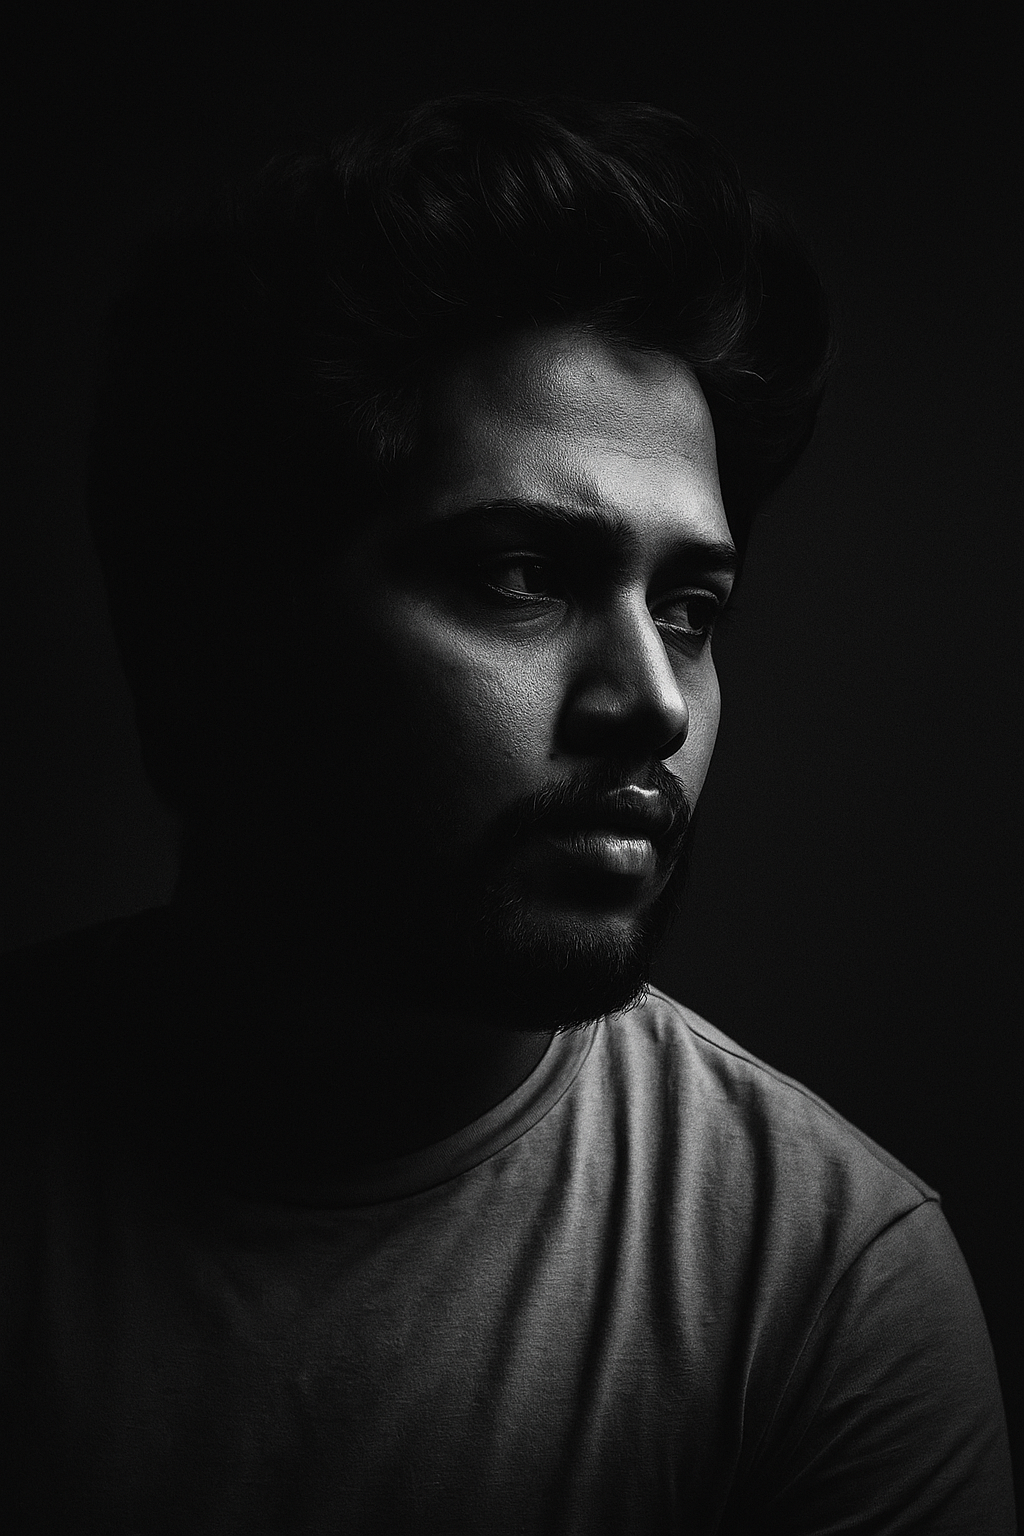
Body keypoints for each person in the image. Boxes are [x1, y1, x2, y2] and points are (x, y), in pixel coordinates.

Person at [0, 95, 1014, 1533]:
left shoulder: (827, 1290)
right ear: (219, 632)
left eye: (692, 607)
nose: (653, 703)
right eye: (521, 577)